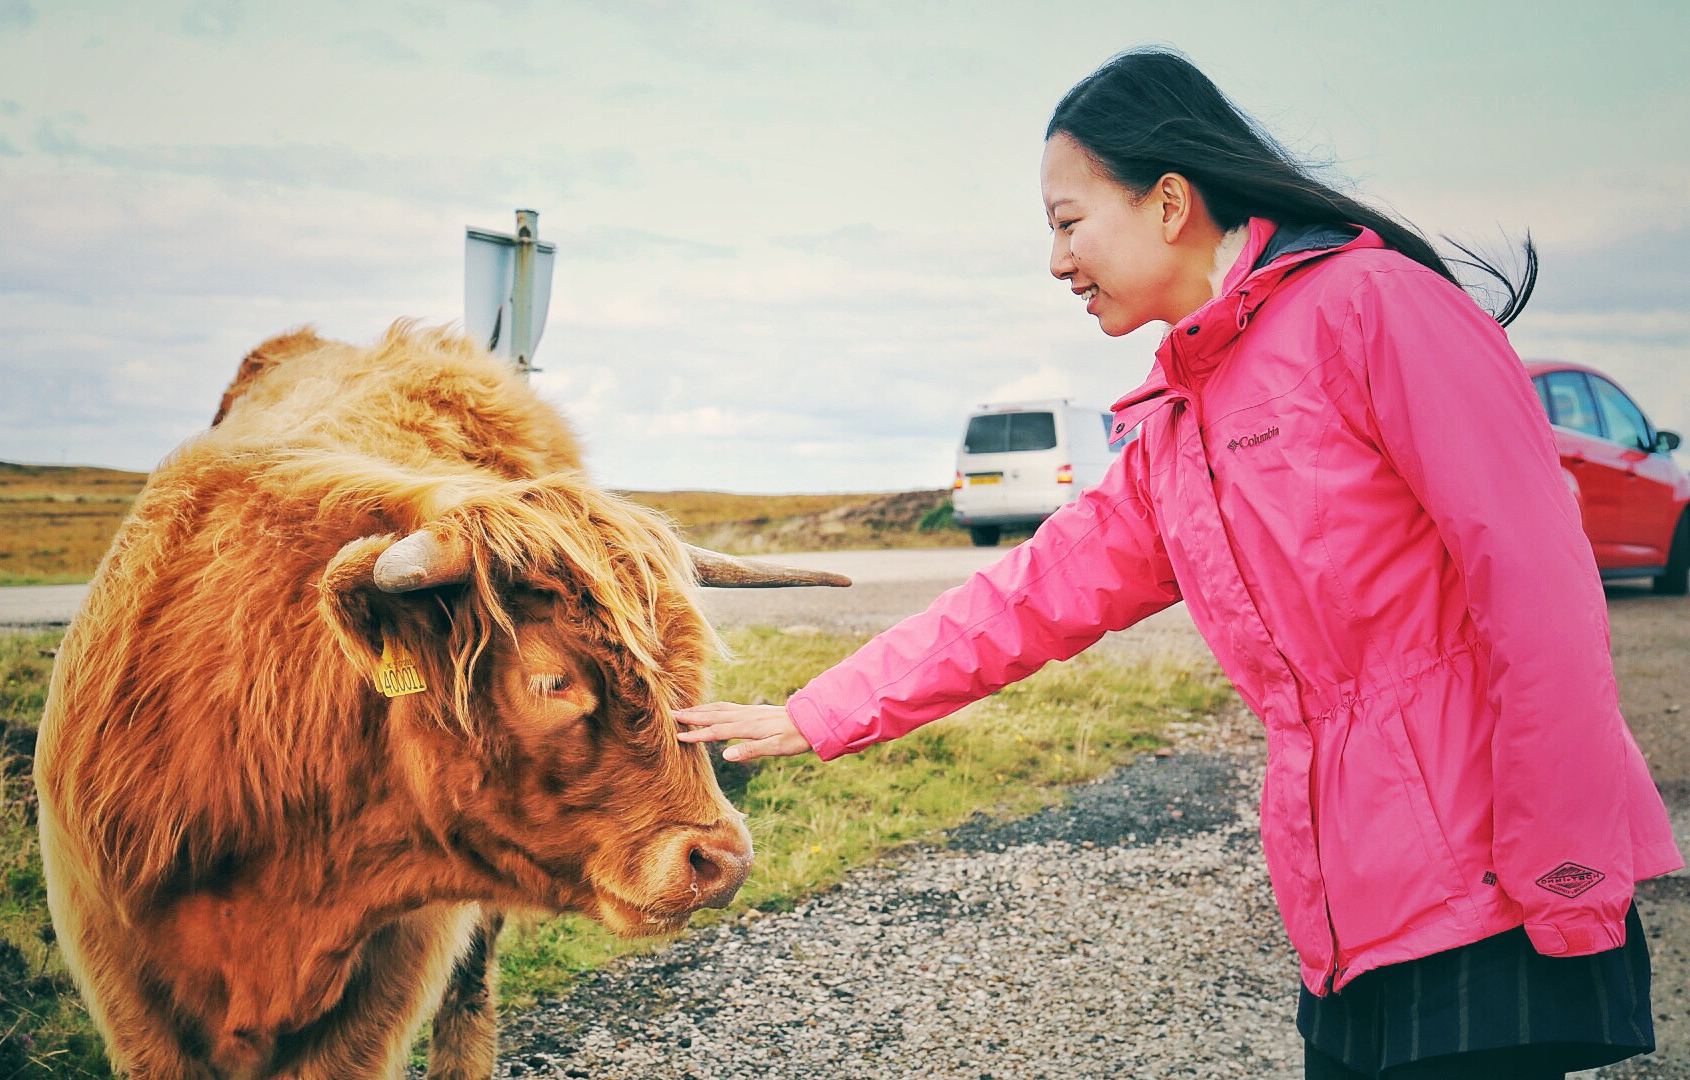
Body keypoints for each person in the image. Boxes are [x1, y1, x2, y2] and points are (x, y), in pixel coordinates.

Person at [675, 48, 1682, 1080]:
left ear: (1167, 203)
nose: (1057, 262)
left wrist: (1564, 867)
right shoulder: (1179, 424)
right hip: (1352, 916)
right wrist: (816, 712)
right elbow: (1023, 600)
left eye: (1069, 223)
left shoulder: (1378, 306)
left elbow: (1542, 595)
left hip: (1489, 894)